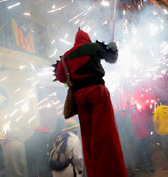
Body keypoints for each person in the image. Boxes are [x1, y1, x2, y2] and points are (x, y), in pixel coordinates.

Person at [54, 29, 127, 177]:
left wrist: (71, 82)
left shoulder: (65, 56)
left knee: (88, 137)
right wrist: (113, 48)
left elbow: (60, 76)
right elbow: (111, 58)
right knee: (105, 135)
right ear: (87, 38)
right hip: (97, 92)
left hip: (80, 97)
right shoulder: (93, 47)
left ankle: (95, 173)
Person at [131, 105, 154, 173]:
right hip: (145, 135)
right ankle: (150, 166)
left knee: (142, 151)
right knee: (147, 150)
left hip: (139, 137)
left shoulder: (133, 116)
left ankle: (146, 167)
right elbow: (148, 122)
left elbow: (134, 125)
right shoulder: (142, 113)